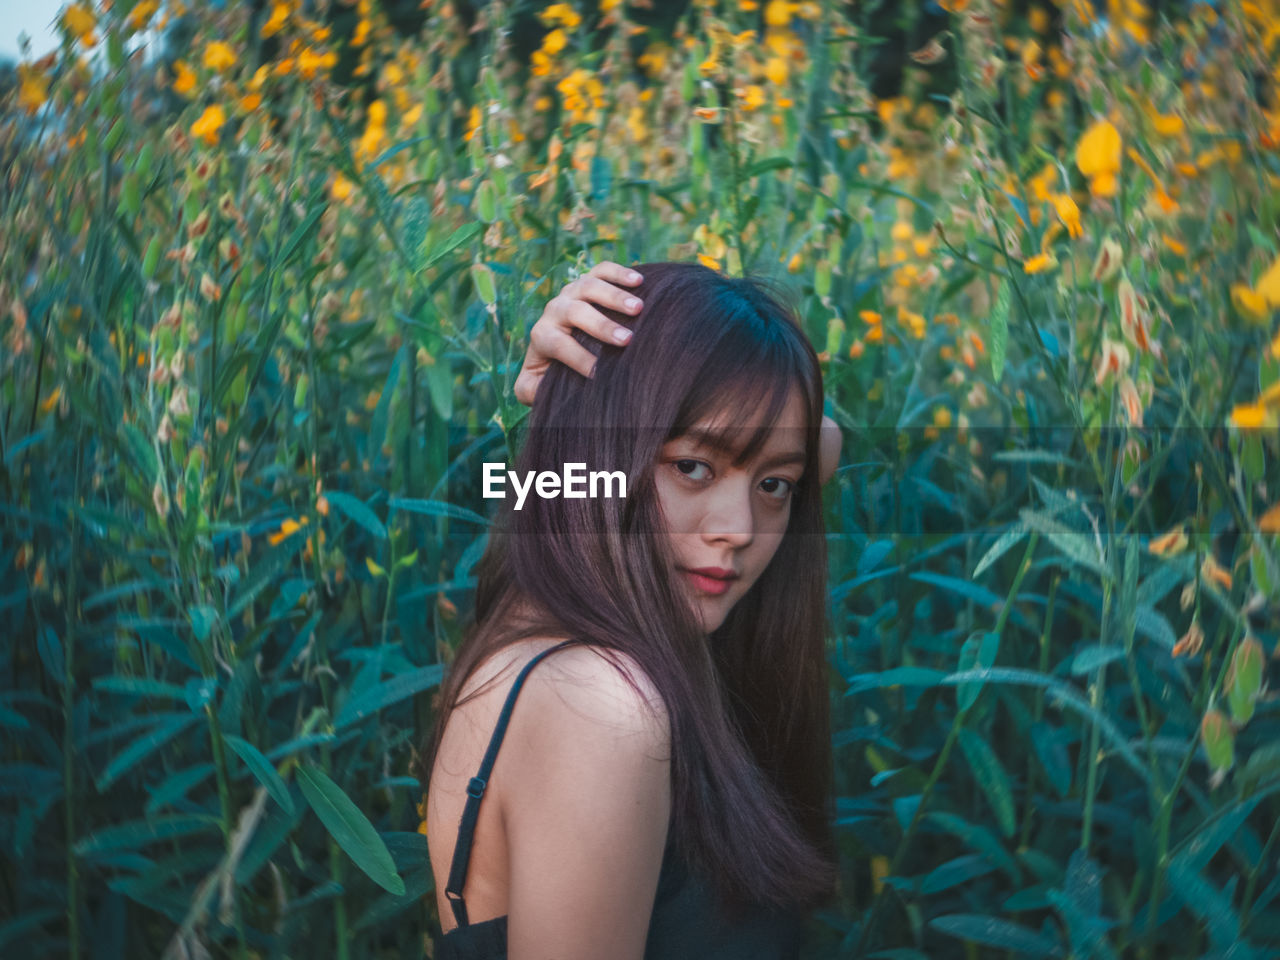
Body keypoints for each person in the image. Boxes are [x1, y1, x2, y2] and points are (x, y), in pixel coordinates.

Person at [419, 260, 844, 960]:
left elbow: (812, 448)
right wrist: (586, 405)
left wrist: (582, 396)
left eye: (773, 485)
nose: (738, 528)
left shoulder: (543, 644)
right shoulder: (604, 708)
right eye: (693, 468)